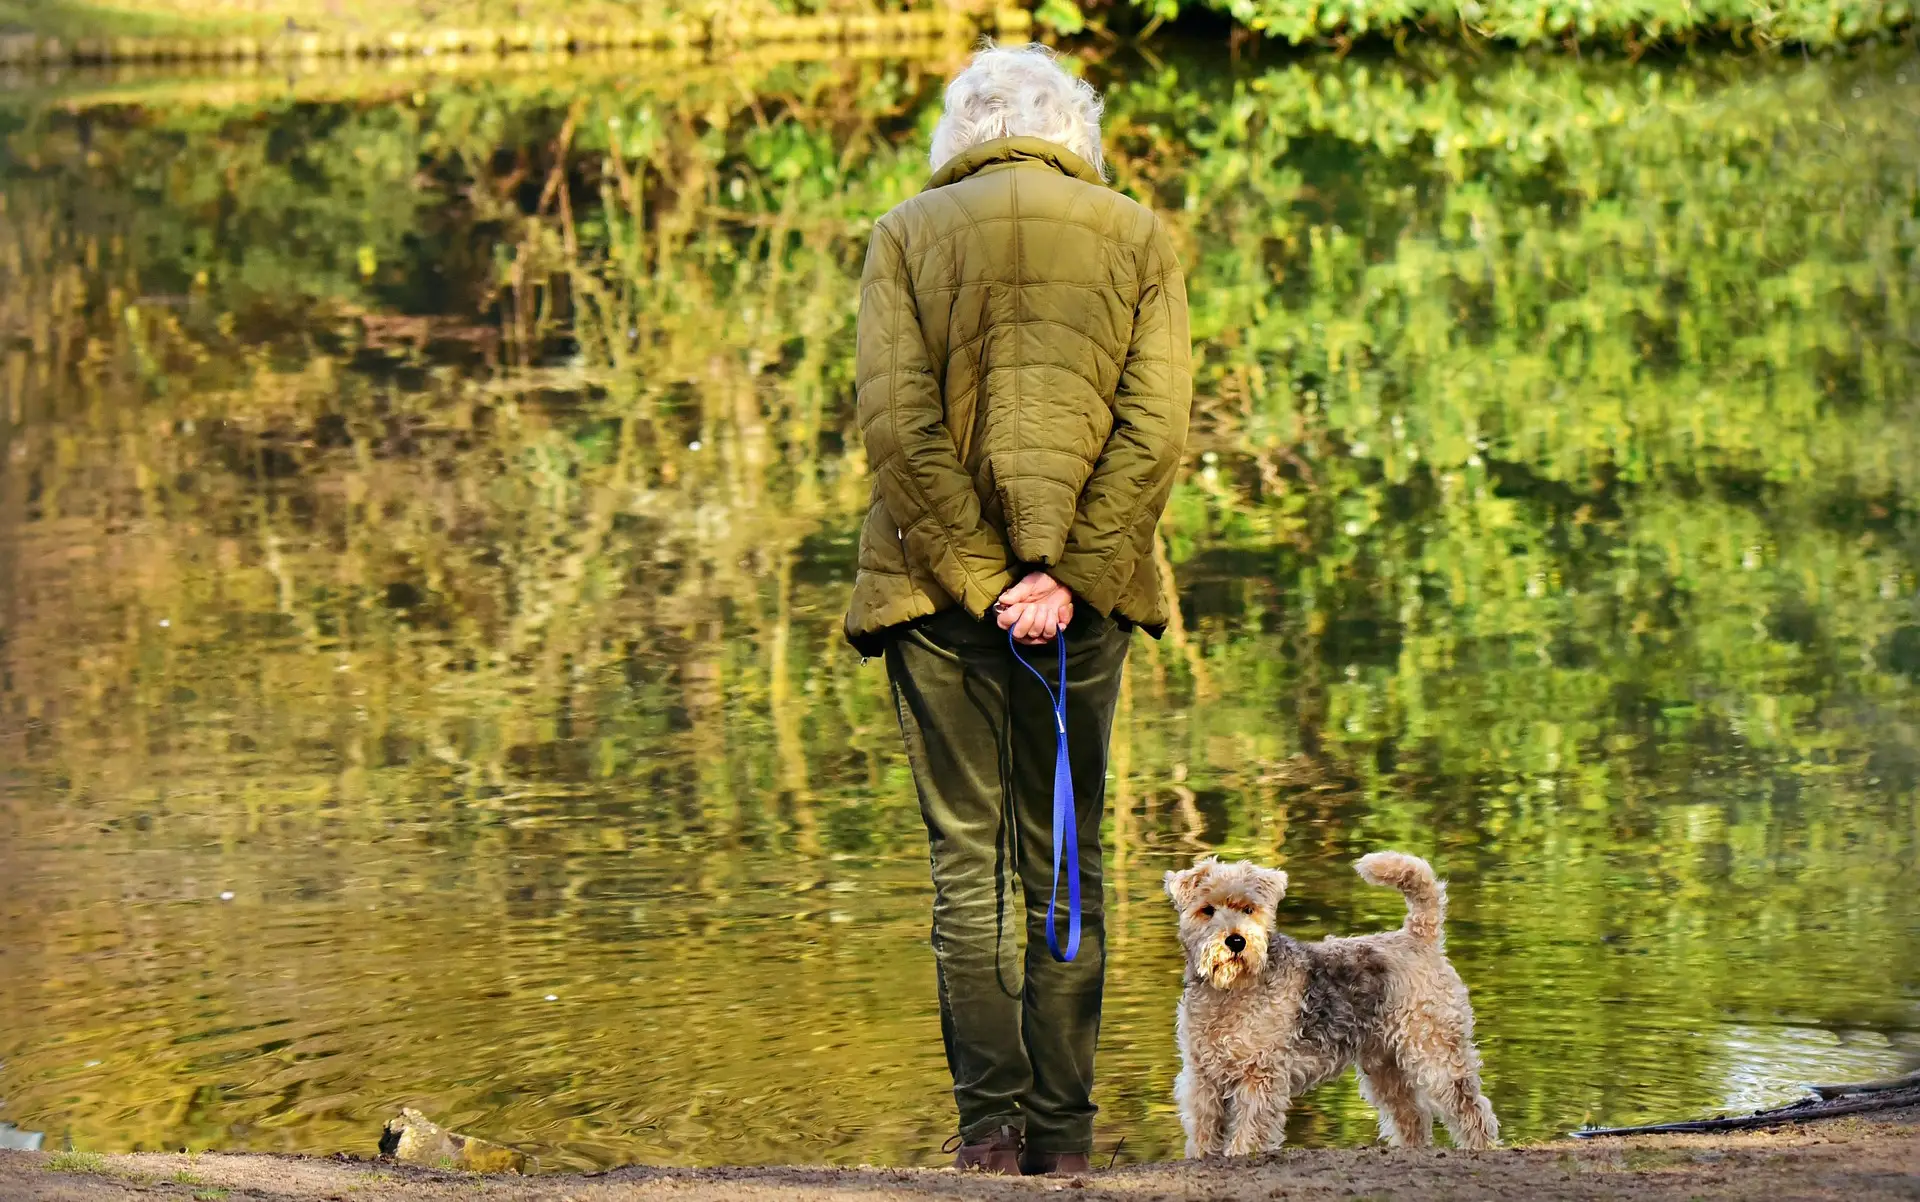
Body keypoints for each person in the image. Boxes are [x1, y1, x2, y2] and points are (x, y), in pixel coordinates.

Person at [842, 43, 1193, 1175]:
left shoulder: (903, 232)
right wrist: (1064, 579)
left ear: (964, 131)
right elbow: (1156, 432)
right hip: (1078, 602)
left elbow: (896, 429)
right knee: (1067, 858)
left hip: (932, 595)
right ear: (1068, 128)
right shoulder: (1139, 234)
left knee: (966, 863)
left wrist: (986, 577)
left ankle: (989, 1136)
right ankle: (1068, 1141)